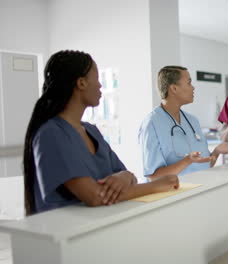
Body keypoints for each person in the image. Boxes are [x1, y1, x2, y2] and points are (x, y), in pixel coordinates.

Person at [23, 50, 179, 216]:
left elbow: (128, 176)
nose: (100, 85)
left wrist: (124, 176)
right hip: (67, 232)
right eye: (96, 79)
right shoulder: (51, 134)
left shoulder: (91, 130)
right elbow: (95, 196)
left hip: (99, 225)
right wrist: (155, 186)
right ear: (81, 83)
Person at [139, 66, 228, 180]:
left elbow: (205, 165)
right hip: (173, 195)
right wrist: (188, 160)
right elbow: (154, 177)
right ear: (174, 88)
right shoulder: (151, 124)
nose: (193, 87)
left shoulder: (192, 121)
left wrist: (217, 151)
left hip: (198, 189)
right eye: (189, 83)